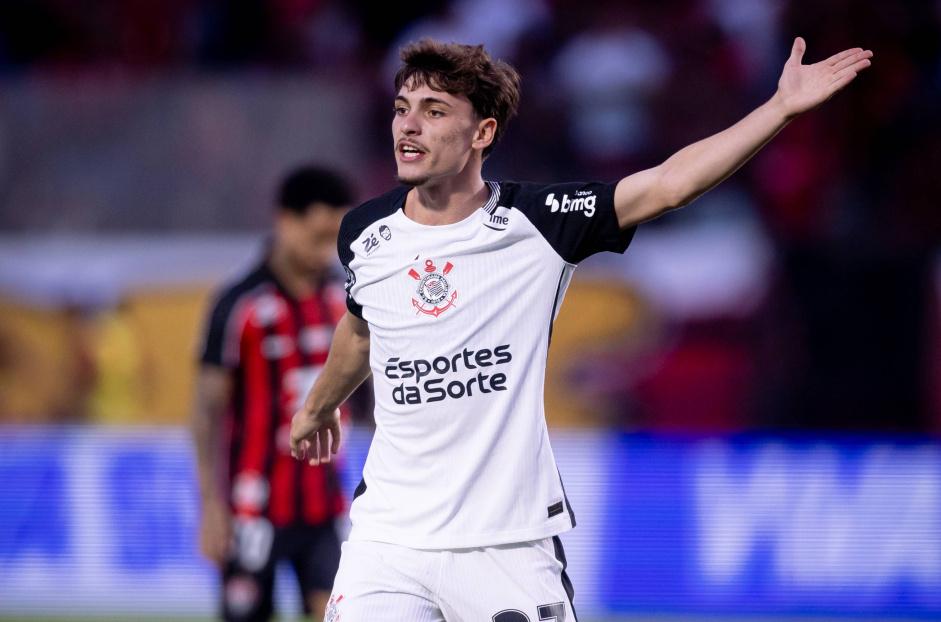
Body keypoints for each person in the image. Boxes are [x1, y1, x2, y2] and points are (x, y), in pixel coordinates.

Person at [289, 38, 873, 621]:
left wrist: (778, 110)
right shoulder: (365, 234)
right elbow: (363, 329)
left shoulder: (537, 223)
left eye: (434, 111)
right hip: (388, 542)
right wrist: (318, 408)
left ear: (482, 133)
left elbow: (668, 184)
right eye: (401, 108)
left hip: (507, 544)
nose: (408, 126)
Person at [193, 165, 355, 622]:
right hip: (252, 509)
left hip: (325, 506)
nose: (329, 249)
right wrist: (210, 505)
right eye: (319, 234)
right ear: (285, 221)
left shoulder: (346, 301)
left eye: (335, 236)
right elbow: (207, 414)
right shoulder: (238, 305)